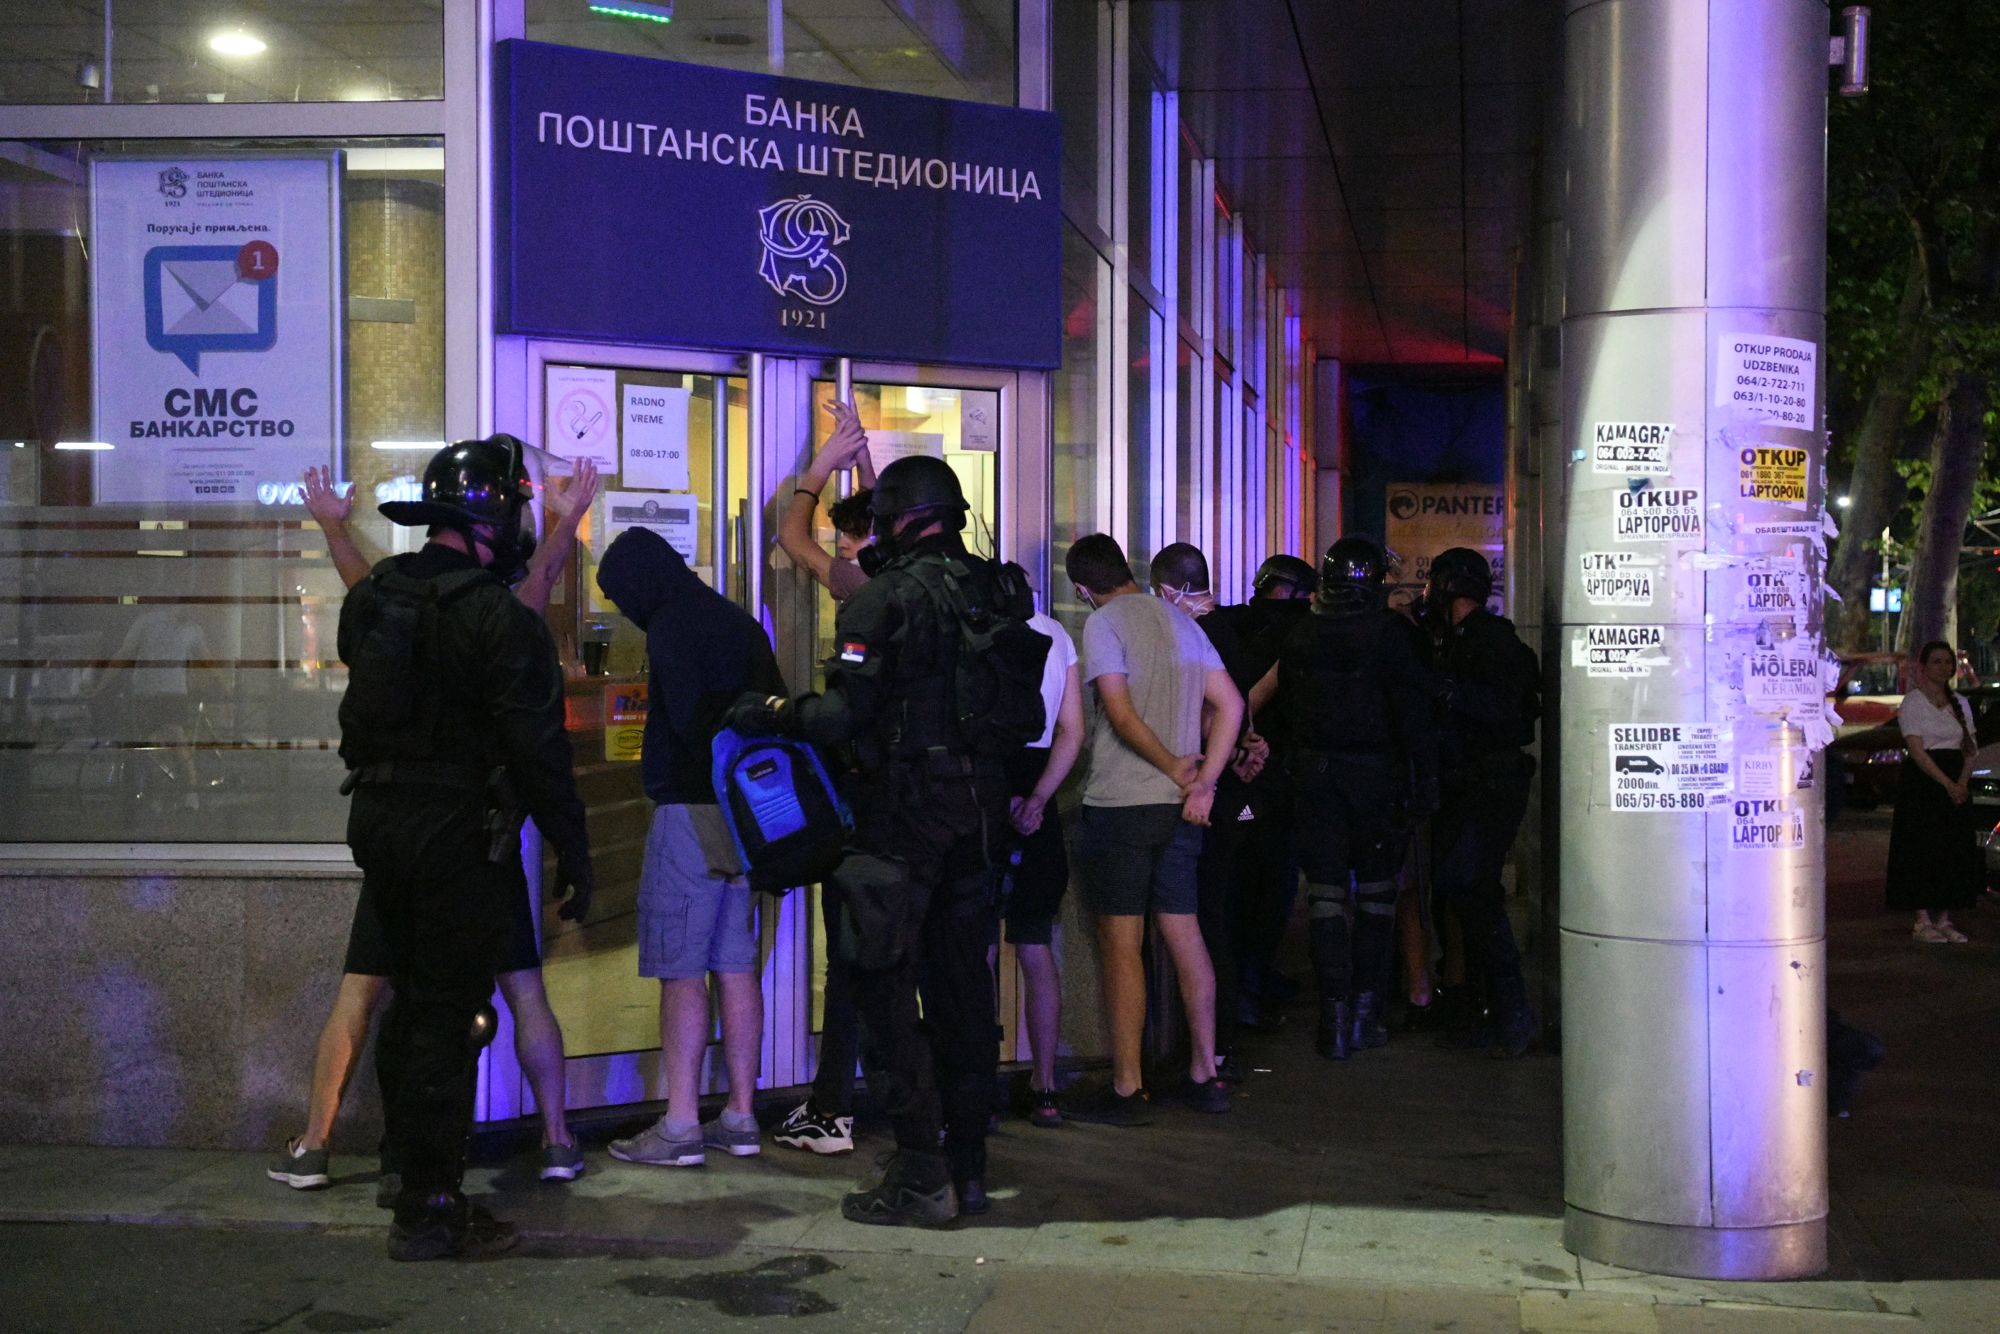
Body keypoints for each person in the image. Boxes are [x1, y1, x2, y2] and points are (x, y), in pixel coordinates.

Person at [727, 455, 1048, 1226]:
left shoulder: (885, 601)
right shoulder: (997, 590)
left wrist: (772, 713)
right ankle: (967, 1167)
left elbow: (843, 718)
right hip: (979, 818)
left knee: (879, 991)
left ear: (899, 519)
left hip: (899, 824)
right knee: (965, 994)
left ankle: (920, 1171)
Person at [267, 458, 600, 1197]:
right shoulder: (494, 614)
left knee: (369, 988)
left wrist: (330, 522)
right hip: (466, 842)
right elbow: (537, 741)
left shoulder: (384, 596)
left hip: (384, 830)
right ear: (494, 526)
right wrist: (573, 848)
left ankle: (320, 1147)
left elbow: (364, 585)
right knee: (474, 1007)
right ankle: (477, 1173)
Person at [596, 527, 787, 1167]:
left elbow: (687, 722)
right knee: (735, 965)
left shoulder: (672, 625)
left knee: (681, 970)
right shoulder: (739, 621)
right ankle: (739, 1114)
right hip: (746, 816)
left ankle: (679, 1126)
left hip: (689, 812)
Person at [1064, 533, 1241, 1125]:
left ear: (1084, 589)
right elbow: (1232, 706)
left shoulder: (1104, 623)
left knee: (1122, 945)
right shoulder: (1180, 620)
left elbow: (1116, 709)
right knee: (1184, 935)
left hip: (1122, 805)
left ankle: (1127, 1085)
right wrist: (1203, 782)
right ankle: (1204, 1073)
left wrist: (1168, 763)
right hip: (1180, 810)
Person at [1249, 537, 1435, 1061]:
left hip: (1314, 776)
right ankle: (1365, 1012)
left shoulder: (1303, 634)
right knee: (1376, 894)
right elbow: (1415, 717)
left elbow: (1274, 700)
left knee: (1326, 895)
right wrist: (1426, 782)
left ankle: (1331, 1018)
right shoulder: (1391, 635)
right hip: (1376, 778)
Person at [770, 399, 874, 1155]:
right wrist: (862, 459)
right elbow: (887, 516)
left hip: (861, 797)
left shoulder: (858, 583)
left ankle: (832, 1107)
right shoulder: (930, 581)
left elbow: (789, 536)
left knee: (849, 957)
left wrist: (818, 471)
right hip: (927, 803)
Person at [1150, 542, 1292, 1075]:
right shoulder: (1238, 629)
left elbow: (1215, 710)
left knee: (1209, 921)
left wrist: (1215, 757)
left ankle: (1213, 1045)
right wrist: (1248, 742)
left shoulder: (1189, 635)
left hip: (1213, 791)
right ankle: (1222, 1038)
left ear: (1168, 591)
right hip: (1245, 788)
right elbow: (1248, 700)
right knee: (1228, 916)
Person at [1423, 547, 1540, 1059]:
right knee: (1465, 889)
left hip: (1489, 782)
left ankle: (1511, 1012)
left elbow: (1508, 712)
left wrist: (1447, 692)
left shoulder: (1492, 642)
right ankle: (1490, 1006)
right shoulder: (1462, 640)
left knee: (1470, 887)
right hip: (1470, 782)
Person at [1002, 577, 1085, 1127]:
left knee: (976, 948)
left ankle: (974, 1080)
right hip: (1042, 790)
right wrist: (1038, 800)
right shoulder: (1055, 633)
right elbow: (1072, 732)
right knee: (1036, 948)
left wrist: (1009, 796)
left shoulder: (987, 637)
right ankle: (1046, 1085)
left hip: (992, 787)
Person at [1887, 639, 1980, 944]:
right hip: (1925, 782)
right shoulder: (1914, 702)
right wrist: (1946, 783)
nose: (1943, 667)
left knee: (1953, 850)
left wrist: (1962, 784)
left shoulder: (1961, 703)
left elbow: (1970, 749)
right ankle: (1922, 919)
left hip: (1956, 778)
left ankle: (1945, 918)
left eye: (1947, 662)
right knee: (1922, 849)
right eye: (1937, 662)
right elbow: (1917, 750)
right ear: (1923, 667)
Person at [776, 398, 877, 603]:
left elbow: (791, 537)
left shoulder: (865, 581)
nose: (842, 543)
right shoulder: (909, 572)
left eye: (856, 535)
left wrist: (823, 463)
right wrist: (862, 457)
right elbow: (875, 512)